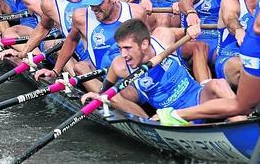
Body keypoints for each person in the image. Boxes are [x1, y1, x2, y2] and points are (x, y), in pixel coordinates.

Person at [80, 19, 239, 122]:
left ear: (144, 44)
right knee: (113, 98)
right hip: (171, 116)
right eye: (120, 48)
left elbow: (182, 32)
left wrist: (189, 31)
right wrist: (99, 96)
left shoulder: (163, 37)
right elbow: (106, 91)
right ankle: (148, 125)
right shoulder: (119, 66)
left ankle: (243, 123)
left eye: (128, 48)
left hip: (198, 98)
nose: (124, 54)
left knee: (219, 84)